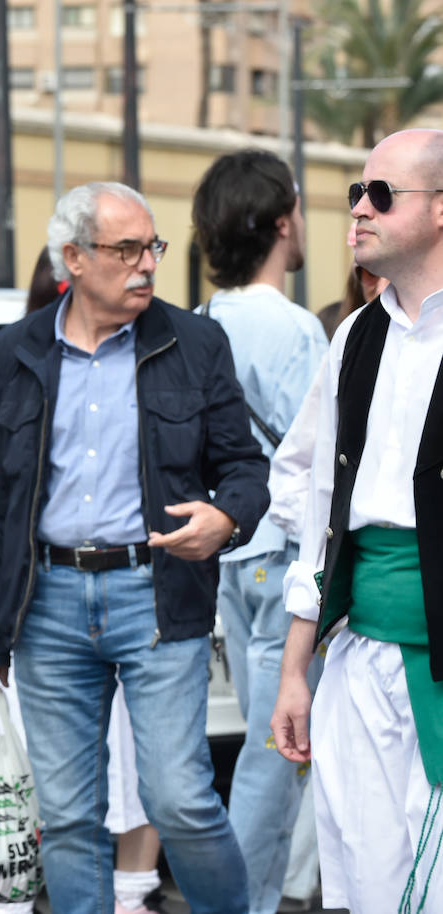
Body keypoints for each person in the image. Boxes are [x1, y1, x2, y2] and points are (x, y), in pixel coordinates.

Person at [0, 180, 268, 913]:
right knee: (68, 817)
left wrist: (227, 518)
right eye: (124, 249)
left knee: (180, 799)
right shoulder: (16, 350)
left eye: (151, 247)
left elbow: (246, 468)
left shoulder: (193, 341)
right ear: (72, 256)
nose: (145, 265)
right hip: (49, 604)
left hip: (157, 592)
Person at [271, 128, 443, 912]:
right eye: (355, 194)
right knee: (372, 881)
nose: (359, 210)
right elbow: (318, 511)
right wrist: (293, 670)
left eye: (383, 194)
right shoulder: (357, 335)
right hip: (359, 654)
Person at [189, 149, 328, 914]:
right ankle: (238, 903)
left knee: (265, 737)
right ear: (281, 223)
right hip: (283, 556)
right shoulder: (298, 330)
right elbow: (320, 461)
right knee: (280, 748)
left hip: (231, 556)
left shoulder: (202, 323)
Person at [23, 239, 167, 914]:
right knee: (71, 780)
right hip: (47, 588)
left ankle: (132, 888)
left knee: (156, 770)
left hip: (138, 579)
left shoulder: (159, 348)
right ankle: (121, 888)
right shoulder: (25, 358)